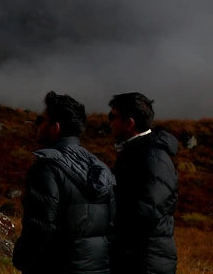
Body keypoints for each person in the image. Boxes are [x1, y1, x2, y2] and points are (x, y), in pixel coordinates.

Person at [12, 91, 114, 274]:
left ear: (55, 127)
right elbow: (114, 226)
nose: (37, 125)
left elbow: (39, 226)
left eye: (40, 120)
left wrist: (23, 260)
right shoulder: (101, 168)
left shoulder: (47, 166)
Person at [108, 92, 179, 274]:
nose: (109, 122)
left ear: (129, 123)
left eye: (112, 116)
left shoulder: (152, 157)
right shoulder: (139, 152)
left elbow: (148, 209)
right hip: (138, 257)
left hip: (144, 261)